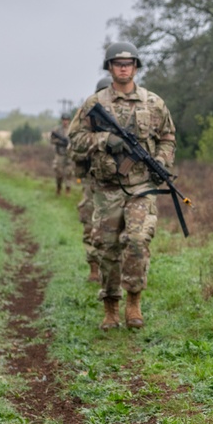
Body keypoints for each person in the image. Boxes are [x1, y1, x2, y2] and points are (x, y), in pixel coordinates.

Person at [69, 43, 177, 330]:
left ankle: (133, 302)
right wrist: (104, 140)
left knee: (138, 240)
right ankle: (110, 307)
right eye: (118, 63)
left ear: (136, 67)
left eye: (129, 63)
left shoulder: (153, 103)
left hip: (141, 186)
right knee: (106, 248)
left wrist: (163, 161)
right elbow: (75, 141)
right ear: (110, 67)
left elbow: (167, 137)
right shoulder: (94, 105)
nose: (124, 67)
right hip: (106, 189)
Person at [69, 76, 113, 283]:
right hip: (92, 180)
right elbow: (74, 147)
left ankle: (113, 270)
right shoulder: (86, 116)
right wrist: (97, 144)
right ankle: (94, 267)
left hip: (117, 181)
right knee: (89, 222)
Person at [51, 113, 73, 195]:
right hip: (59, 154)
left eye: (67, 120)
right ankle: (58, 188)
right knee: (59, 172)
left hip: (69, 154)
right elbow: (52, 140)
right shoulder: (57, 130)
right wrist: (61, 142)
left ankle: (68, 189)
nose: (65, 122)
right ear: (62, 120)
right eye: (64, 120)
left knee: (69, 172)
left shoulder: (72, 129)